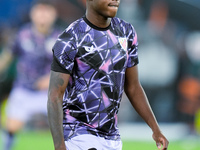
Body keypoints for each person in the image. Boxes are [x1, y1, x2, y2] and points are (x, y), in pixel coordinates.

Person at [47, 0, 169, 150]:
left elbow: (133, 87)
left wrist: (156, 129)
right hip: (77, 135)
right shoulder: (70, 38)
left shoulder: (126, 32)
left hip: (112, 138)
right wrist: (59, 146)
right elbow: (55, 95)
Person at [3, 0, 60, 149]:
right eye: (39, 11)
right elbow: (7, 57)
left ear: (53, 14)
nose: (42, 15)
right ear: (32, 14)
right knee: (11, 127)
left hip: (51, 93)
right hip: (24, 89)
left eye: (46, 11)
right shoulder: (22, 35)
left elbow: (70, 66)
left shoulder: (60, 37)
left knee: (66, 126)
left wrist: (51, 79)